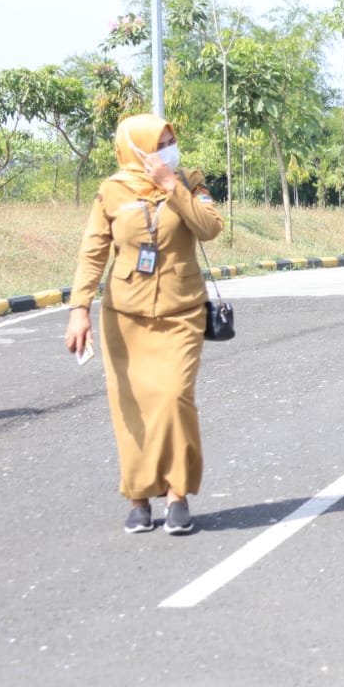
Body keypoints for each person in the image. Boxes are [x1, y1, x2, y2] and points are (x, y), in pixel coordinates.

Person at [65, 114, 224, 536]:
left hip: (181, 310)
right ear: (134, 148)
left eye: (170, 140)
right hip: (125, 315)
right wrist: (79, 307)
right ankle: (138, 497)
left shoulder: (190, 181)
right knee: (131, 405)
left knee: (173, 397)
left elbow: (209, 229)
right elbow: (93, 252)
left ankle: (177, 494)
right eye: (159, 142)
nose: (167, 148)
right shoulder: (112, 191)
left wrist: (172, 186)